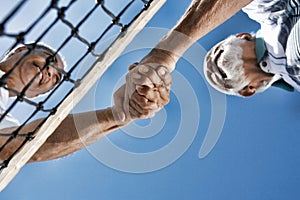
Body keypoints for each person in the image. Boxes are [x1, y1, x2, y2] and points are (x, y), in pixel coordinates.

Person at [0, 43, 172, 162]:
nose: (51, 71)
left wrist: (117, 115)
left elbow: (16, 146)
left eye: (56, 78)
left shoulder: (5, 122)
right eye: (49, 59)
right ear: (20, 49)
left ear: (33, 96)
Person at [204, 0, 300, 97]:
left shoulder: (261, 10)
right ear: (249, 90)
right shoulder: (260, 10)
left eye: (219, 50)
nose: (212, 67)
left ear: (244, 36)